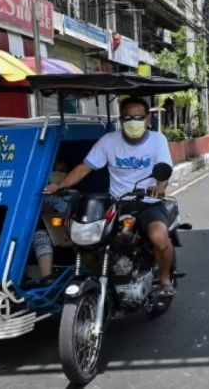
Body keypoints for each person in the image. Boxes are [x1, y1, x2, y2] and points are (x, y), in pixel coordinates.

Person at [44, 98, 175, 299]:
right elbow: (84, 168)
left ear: (148, 119)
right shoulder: (109, 141)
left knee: (159, 237)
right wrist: (60, 185)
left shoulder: (158, 140)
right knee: (89, 238)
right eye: (128, 117)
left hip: (148, 202)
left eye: (138, 117)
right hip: (118, 202)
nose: (133, 121)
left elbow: (164, 170)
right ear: (121, 120)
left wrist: (160, 186)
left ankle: (165, 279)